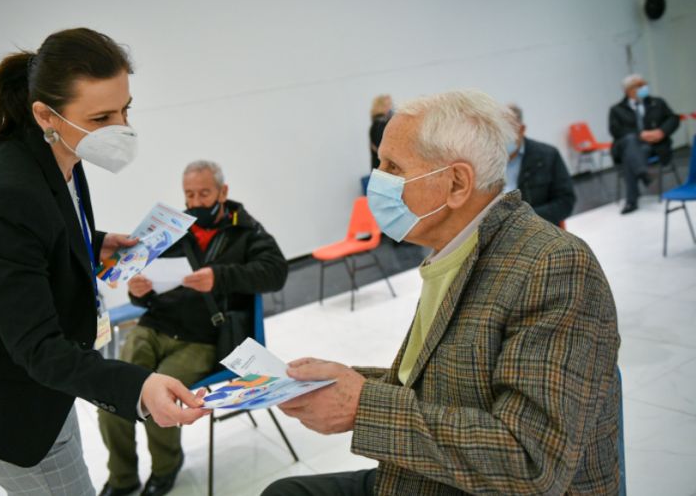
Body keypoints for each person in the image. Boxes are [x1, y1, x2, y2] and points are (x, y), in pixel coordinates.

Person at [263, 90, 621, 495]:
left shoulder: (551, 265)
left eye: (393, 166)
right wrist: (340, 383)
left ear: (456, 183)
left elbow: (530, 462)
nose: (377, 181)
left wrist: (361, 405)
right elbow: (447, 383)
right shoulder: (459, 251)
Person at [0, 28, 210, 496]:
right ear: (46, 113)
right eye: (102, 116)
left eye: (126, 109)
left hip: (50, 385)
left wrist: (91, 241)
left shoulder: (59, 147)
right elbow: (36, 346)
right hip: (11, 401)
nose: (120, 128)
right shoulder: (5, 191)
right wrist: (138, 387)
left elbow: (44, 231)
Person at [98, 160, 288, 496]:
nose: (196, 202)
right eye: (190, 195)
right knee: (113, 393)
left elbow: (276, 272)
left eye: (204, 193)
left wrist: (220, 277)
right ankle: (122, 478)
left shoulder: (245, 231)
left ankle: (166, 468)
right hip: (153, 326)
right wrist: (137, 291)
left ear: (223, 192)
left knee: (162, 401)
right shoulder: (172, 230)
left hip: (201, 339)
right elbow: (145, 280)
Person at [609, 73, 680, 214]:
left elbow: (673, 118)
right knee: (630, 143)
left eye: (644, 84)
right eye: (639, 85)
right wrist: (639, 134)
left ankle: (632, 200)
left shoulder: (657, 102)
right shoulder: (616, 110)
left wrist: (661, 132)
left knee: (629, 156)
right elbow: (616, 131)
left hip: (655, 146)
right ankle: (643, 173)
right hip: (631, 145)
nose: (644, 87)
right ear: (628, 90)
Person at [505, 104, 576, 225]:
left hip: (539, 231)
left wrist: (525, 219)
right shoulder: (488, 162)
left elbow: (566, 202)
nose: (503, 138)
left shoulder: (548, 156)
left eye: (508, 132)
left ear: (522, 129)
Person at [369, 94, 393, 170]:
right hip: (383, 169)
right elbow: (383, 150)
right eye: (388, 105)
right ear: (381, 107)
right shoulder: (379, 125)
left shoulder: (378, 123)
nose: (391, 107)